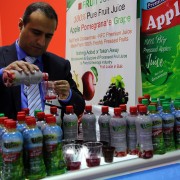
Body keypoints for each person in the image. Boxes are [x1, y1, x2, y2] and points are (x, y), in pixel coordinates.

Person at [0, 2, 85, 119]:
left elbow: (80, 106)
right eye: (36, 33)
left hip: (51, 135)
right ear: (21, 25)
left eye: (48, 36)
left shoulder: (59, 66)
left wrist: (68, 95)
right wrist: (3, 75)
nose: (42, 42)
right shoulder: (1, 58)